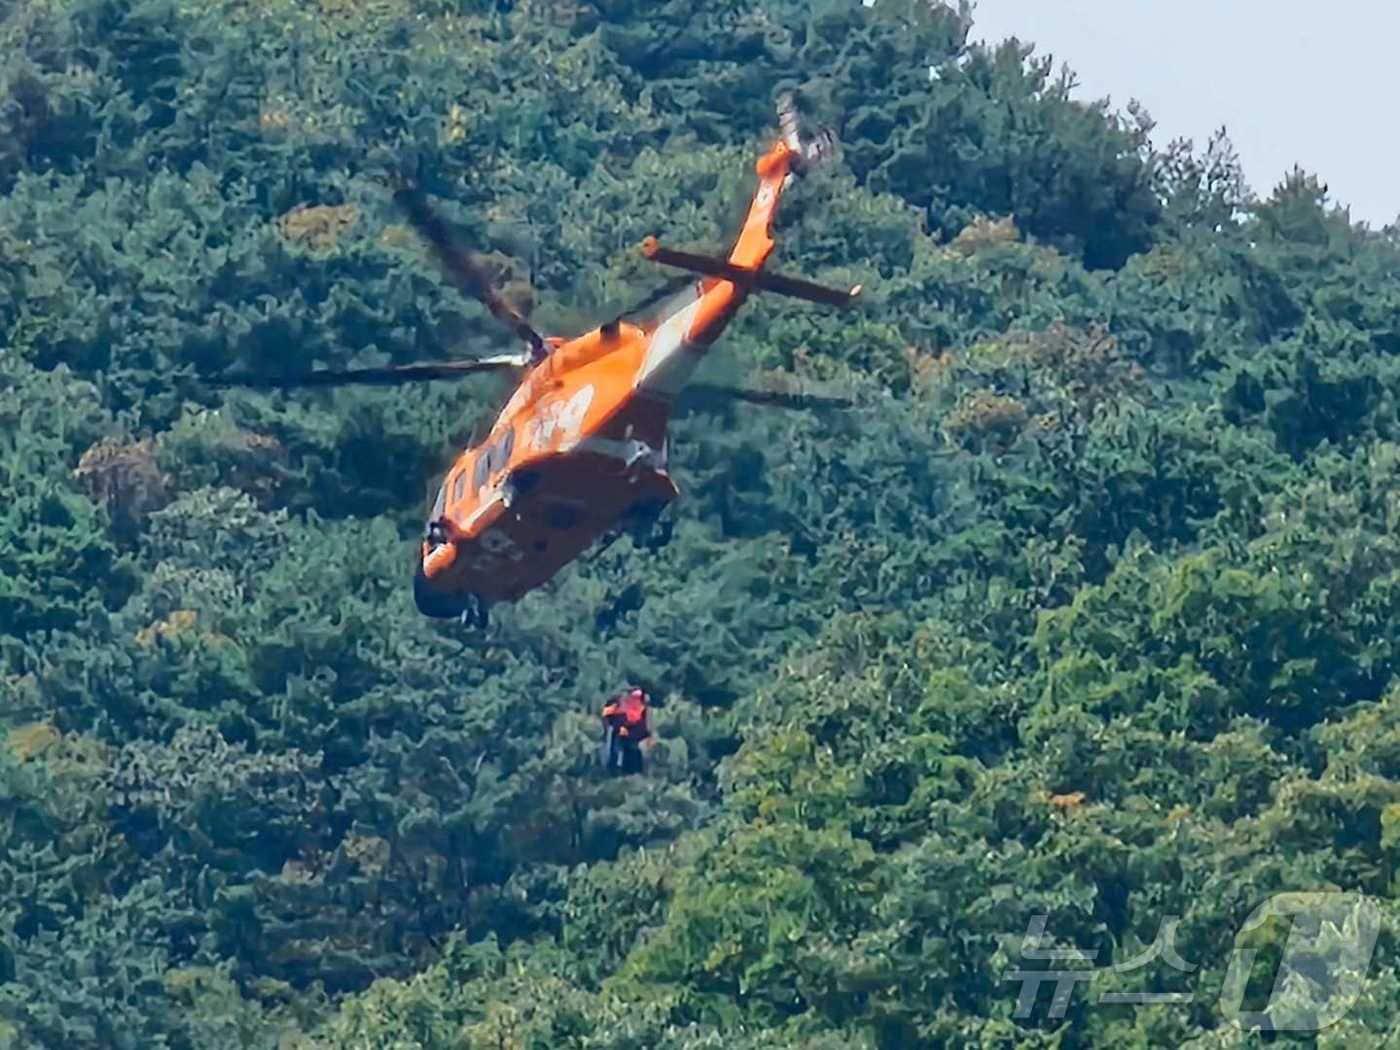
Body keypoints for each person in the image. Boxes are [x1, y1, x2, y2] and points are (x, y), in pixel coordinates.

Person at [600, 687, 651, 775]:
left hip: (632, 737)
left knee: (630, 751)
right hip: (622, 735)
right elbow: (606, 717)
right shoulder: (616, 702)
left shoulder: (640, 704)